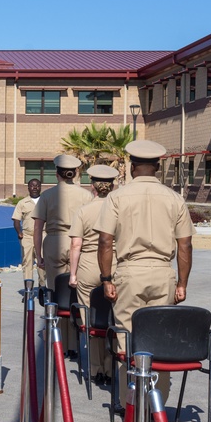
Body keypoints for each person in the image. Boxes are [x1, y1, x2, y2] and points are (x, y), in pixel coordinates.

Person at [95, 139, 194, 403]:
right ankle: (156, 401)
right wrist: (182, 282)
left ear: (132, 165)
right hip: (164, 273)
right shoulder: (175, 199)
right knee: (159, 335)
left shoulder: (117, 197)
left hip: (129, 272)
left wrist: (106, 279)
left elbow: (105, 241)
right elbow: (185, 244)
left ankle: (129, 402)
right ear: (158, 167)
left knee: (126, 336)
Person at [32, 153, 90, 354]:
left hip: (54, 241)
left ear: (56, 174)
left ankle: (60, 343)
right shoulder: (86, 195)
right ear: (74, 174)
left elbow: (38, 227)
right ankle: (74, 343)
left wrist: (38, 255)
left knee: (56, 292)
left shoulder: (47, 196)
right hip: (78, 240)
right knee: (75, 293)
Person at [68, 165, 118, 385]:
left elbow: (75, 244)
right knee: (113, 317)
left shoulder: (84, 210)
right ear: (113, 185)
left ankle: (96, 367)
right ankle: (110, 367)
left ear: (93, 186)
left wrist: (72, 273)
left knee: (91, 318)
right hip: (114, 263)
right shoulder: (120, 208)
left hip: (89, 263)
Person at [12, 178, 44, 290]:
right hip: (27, 236)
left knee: (42, 262)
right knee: (27, 263)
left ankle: (42, 287)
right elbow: (16, 220)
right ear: (28, 188)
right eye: (32, 185)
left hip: (43, 236)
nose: (35, 188)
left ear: (40, 187)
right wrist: (19, 232)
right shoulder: (22, 203)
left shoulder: (46, 201)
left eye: (37, 185)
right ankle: (28, 289)